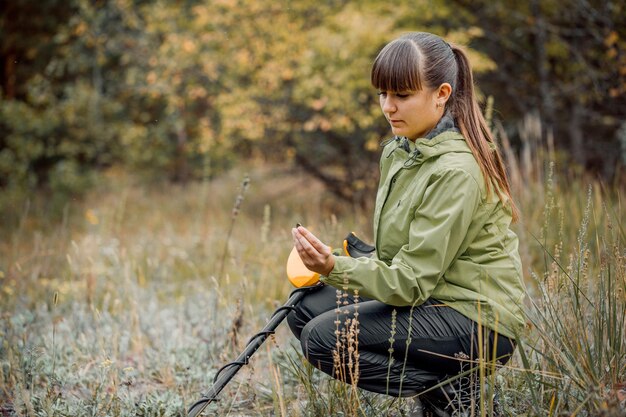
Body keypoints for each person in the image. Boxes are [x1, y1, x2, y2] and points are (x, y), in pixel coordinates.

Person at [288, 32, 525, 417]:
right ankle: (447, 394)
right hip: (430, 295)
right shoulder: (400, 152)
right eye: (383, 94)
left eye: (402, 95)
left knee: (323, 339)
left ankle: (456, 395)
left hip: (477, 319)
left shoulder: (456, 170)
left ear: (442, 93)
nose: (388, 107)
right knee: (305, 309)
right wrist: (347, 260)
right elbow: (405, 257)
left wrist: (335, 269)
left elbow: (412, 282)